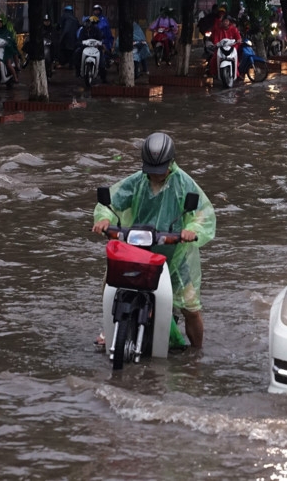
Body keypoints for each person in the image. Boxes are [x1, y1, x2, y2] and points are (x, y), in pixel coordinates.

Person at [91, 133, 216, 349]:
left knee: (191, 309)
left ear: (171, 163)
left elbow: (203, 213)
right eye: (151, 170)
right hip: (137, 250)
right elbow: (112, 202)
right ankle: (109, 328)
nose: (156, 175)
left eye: (161, 170)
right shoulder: (137, 182)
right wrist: (103, 219)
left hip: (174, 254)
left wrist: (191, 230)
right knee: (111, 287)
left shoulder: (183, 183)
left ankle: (197, 355)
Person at [75, 15, 108, 81]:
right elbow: (79, 40)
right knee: (77, 53)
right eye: (86, 28)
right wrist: (80, 44)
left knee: (102, 61)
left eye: (89, 28)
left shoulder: (96, 30)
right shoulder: (82, 31)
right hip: (85, 48)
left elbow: (101, 38)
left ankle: (103, 77)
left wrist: (100, 44)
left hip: (96, 48)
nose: (88, 29)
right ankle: (78, 70)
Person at [0, 15, 21, 83]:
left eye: (0, 22)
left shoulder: (7, 32)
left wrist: (7, 43)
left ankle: (15, 77)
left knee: (8, 64)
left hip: (6, 51)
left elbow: (10, 41)